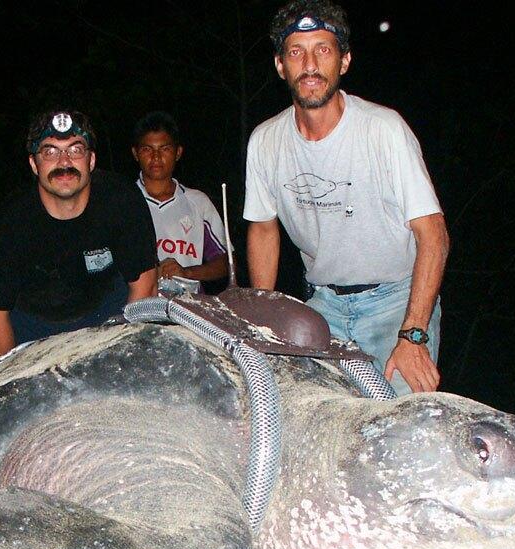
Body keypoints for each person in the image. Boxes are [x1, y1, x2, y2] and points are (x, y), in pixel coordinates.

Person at [243, 1, 450, 394]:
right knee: (313, 422)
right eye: (295, 52)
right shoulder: (265, 141)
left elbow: (434, 235)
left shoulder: (383, 129)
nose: (309, 64)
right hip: (323, 308)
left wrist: (414, 336)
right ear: (280, 66)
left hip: (397, 302)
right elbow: (263, 229)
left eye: (323, 49)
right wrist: (263, 319)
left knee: (399, 431)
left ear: (344, 61)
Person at [0, 109, 158, 358]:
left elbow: (145, 285)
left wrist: (125, 355)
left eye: (75, 150)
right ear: (34, 164)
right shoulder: (9, 221)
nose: (64, 162)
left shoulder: (121, 200)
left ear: (91, 160)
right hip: (34, 328)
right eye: (50, 152)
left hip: (107, 316)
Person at [131, 111, 230, 290]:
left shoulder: (198, 202)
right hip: (138, 308)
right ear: (135, 153)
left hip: (187, 309)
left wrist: (187, 272)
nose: (156, 157)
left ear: (178, 152)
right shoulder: (123, 201)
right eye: (147, 149)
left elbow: (224, 263)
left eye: (165, 149)